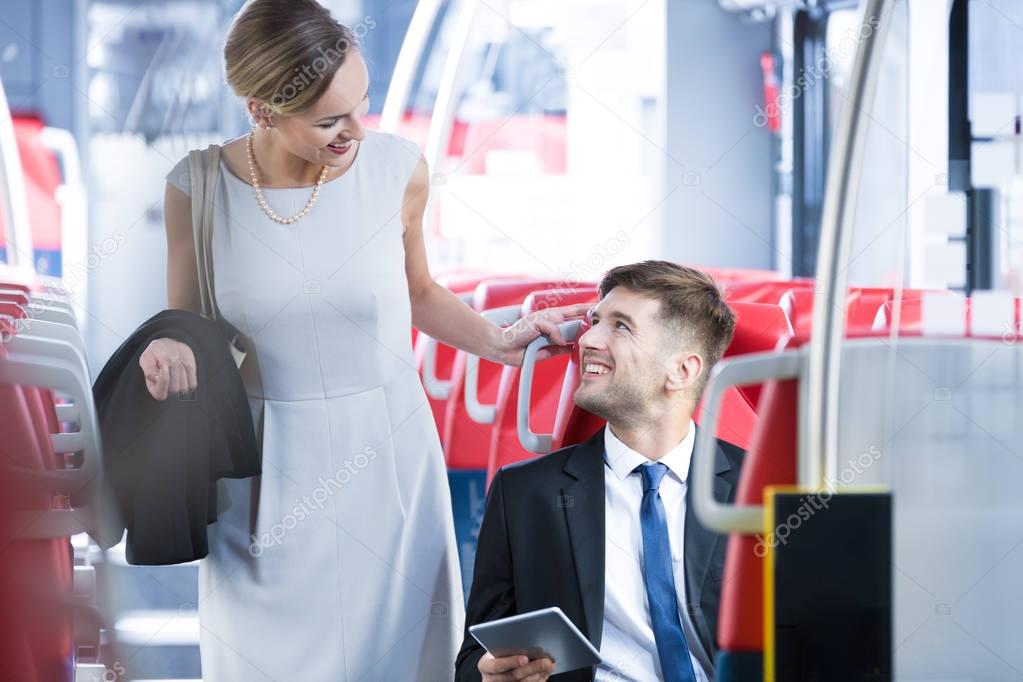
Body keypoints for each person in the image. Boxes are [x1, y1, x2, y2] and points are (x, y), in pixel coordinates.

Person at [145, 1, 590, 679]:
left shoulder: (397, 170)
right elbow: (186, 326)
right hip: (261, 469)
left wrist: (503, 341)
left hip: (387, 458)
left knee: (400, 655)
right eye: (329, 120)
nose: (357, 130)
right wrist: (166, 348)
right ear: (260, 110)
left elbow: (417, 293)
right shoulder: (197, 188)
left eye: (362, 105)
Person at [457, 261, 744, 682]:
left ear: (682, 370)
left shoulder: (758, 489)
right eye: (594, 322)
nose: (588, 339)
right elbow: (471, 661)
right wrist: (487, 675)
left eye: (620, 326)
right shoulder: (526, 494)